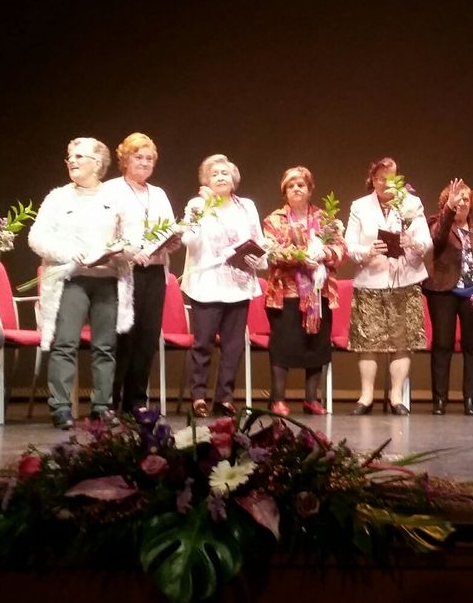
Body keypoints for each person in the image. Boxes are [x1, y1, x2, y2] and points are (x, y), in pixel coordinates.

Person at [29, 137, 133, 430]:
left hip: (107, 280)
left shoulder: (116, 199)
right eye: (69, 157)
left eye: (78, 156)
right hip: (71, 279)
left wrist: (117, 250)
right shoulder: (58, 197)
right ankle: (61, 407)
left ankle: (102, 406)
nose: (71, 161)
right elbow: (36, 238)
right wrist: (67, 254)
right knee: (65, 343)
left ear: (97, 164)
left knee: (105, 346)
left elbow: (133, 239)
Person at [178, 154, 267, 418]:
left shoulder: (246, 206)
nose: (220, 177)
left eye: (225, 173)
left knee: (233, 345)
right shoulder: (197, 204)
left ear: (233, 179)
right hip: (207, 284)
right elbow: (188, 240)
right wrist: (204, 207)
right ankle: (198, 396)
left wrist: (257, 257)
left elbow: (259, 242)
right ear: (206, 180)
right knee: (203, 343)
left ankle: (225, 397)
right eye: (214, 174)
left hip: (238, 285)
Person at [343, 157, 430, 415]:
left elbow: (426, 241)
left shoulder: (411, 204)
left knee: (401, 341)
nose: (385, 183)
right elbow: (350, 245)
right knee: (368, 341)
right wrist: (368, 250)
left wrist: (411, 242)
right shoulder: (360, 206)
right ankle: (366, 396)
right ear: (372, 180)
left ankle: (396, 396)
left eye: (391, 178)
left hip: (404, 279)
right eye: (380, 178)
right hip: (371, 280)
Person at [262, 166, 346, 416]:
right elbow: (272, 251)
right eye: (291, 185)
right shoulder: (274, 219)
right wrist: (299, 258)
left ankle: (312, 399)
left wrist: (324, 253)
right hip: (285, 293)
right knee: (283, 346)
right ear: (285, 191)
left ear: (310, 190)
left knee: (316, 346)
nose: (297, 188)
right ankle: (278, 399)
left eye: (301, 184)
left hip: (318, 293)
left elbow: (341, 249)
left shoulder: (326, 218)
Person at [104, 133, 178, 414]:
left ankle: (136, 400)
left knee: (147, 337)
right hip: (124, 272)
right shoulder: (111, 189)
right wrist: (129, 251)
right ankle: (110, 401)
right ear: (125, 159)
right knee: (124, 336)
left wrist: (174, 239)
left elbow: (170, 228)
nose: (145, 163)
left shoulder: (158, 193)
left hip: (155, 271)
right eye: (139, 157)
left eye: (149, 159)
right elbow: (106, 233)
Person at [424, 178, 473, 415]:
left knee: (472, 346)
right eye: (457, 198)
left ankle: (471, 400)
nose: (462, 202)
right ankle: (440, 399)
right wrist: (449, 209)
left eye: (465, 198)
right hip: (443, 291)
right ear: (447, 202)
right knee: (443, 344)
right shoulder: (437, 222)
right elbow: (437, 238)